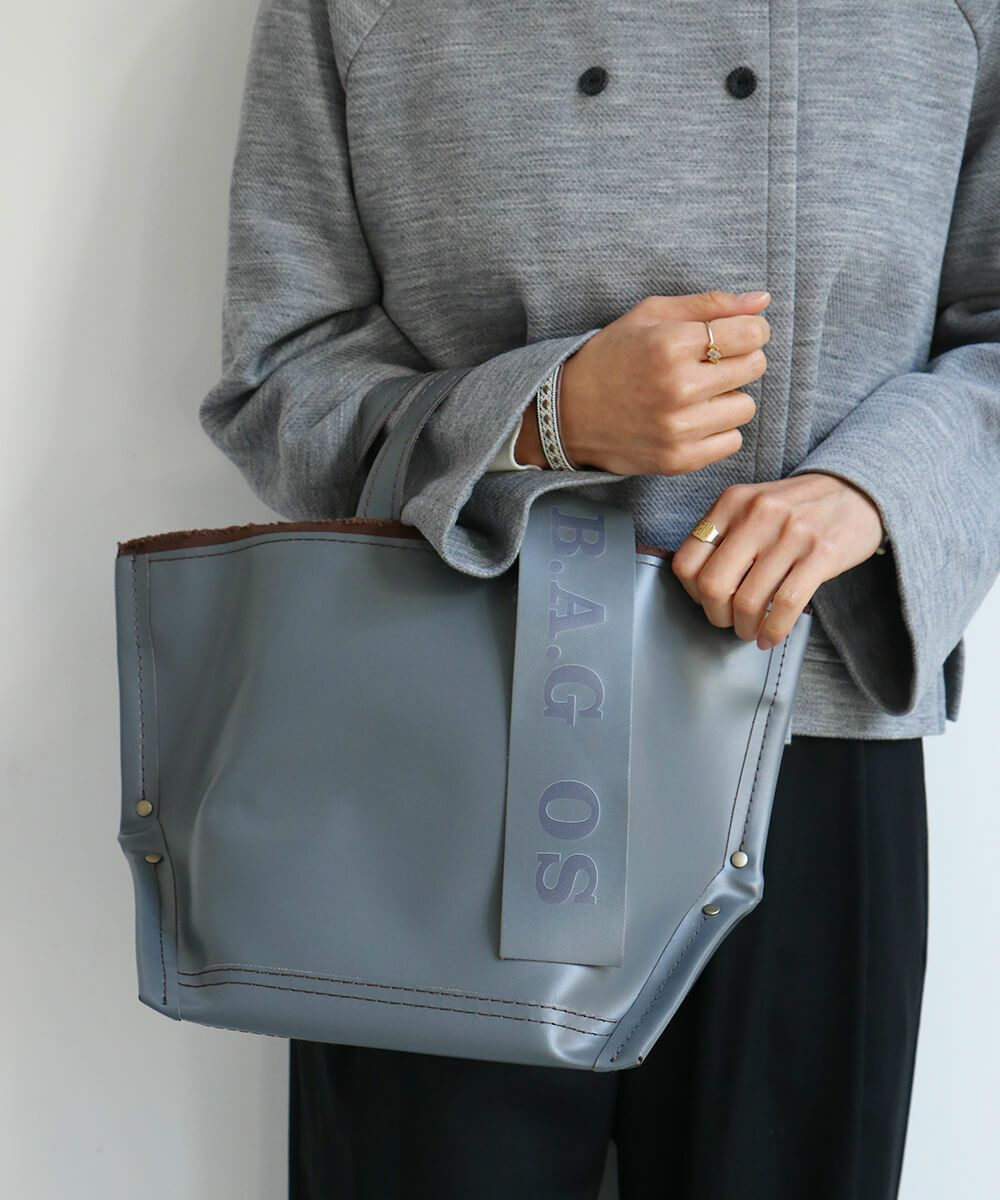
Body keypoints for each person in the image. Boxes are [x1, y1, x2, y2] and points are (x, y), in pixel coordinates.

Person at [197, 2, 1000, 1197]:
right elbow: (278, 375)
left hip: (808, 717)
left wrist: (872, 489)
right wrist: (542, 417)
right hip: (442, 734)